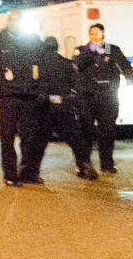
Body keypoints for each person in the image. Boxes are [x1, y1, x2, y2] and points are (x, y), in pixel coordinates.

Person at [0, 12, 43, 187]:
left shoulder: (32, 41)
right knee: (7, 136)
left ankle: (27, 172)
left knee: (29, 136)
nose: (16, 23)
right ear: (8, 22)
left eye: (18, 20)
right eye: (12, 20)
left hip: (28, 96)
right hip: (7, 96)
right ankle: (10, 174)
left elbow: (44, 64)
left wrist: (42, 91)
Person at [73, 23, 133, 173]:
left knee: (107, 131)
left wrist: (129, 78)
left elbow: (125, 65)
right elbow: (78, 65)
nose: (95, 36)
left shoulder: (112, 50)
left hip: (107, 96)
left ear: (103, 34)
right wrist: (90, 51)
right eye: (92, 34)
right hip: (87, 97)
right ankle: (83, 164)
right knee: (86, 131)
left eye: (97, 33)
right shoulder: (81, 50)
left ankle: (107, 164)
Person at [34, 35, 96, 180]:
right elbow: (75, 86)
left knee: (39, 142)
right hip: (64, 107)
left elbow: (34, 87)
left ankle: (32, 172)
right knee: (75, 139)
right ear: (57, 47)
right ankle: (84, 166)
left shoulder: (37, 65)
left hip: (45, 107)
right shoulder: (67, 64)